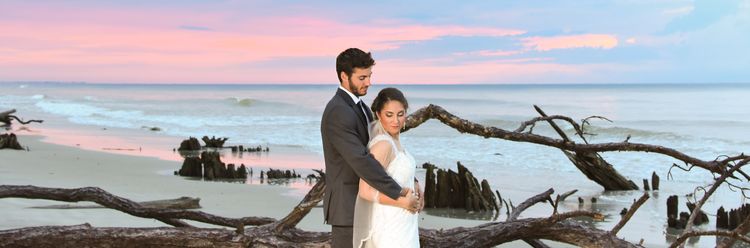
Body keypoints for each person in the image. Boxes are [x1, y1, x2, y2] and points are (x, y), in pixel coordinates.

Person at [321, 48, 420, 248]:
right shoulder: (339, 111)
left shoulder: (361, 108)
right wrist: (399, 193)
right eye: (362, 77)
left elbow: (387, 154)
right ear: (344, 76)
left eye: (369, 76)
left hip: (368, 207)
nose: (368, 82)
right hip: (347, 207)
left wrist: (411, 179)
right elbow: (363, 161)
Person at [353, 88, 422, 247]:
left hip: (405, 225)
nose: (396, 121)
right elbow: (365, 191)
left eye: (400, 114)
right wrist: (402, 203)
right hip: (391, 228)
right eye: (389, 115)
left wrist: (416, 184)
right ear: (378, 114)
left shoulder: (395, 142)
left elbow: (396, 174)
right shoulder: (383, 145)